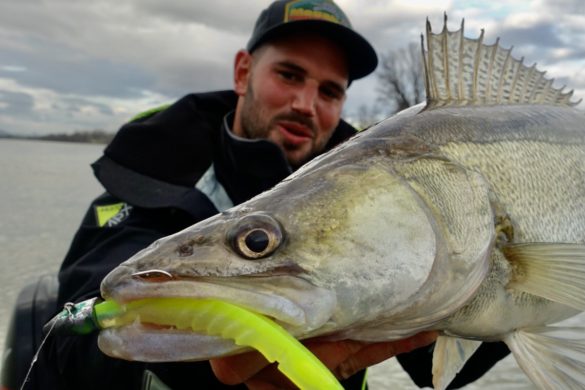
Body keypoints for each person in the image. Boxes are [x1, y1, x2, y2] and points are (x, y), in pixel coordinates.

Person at [35, 1, 508, 389]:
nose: (306, 104)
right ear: (243, 73)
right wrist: (223, 363)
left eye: (329, 90)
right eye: (289, 75)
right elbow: (86, 334)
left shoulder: (395, 187)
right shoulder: (153, 168)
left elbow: (433, 365)